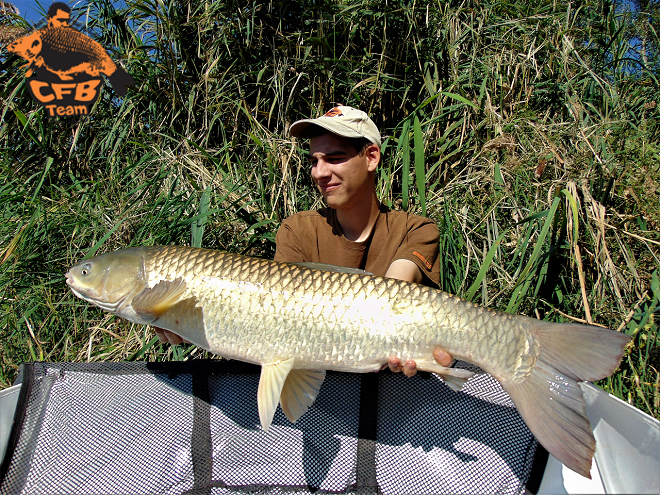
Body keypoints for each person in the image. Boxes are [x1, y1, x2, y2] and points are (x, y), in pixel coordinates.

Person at [155, 105, 453, 375]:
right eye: (314, 160)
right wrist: (188, 320)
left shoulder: (416, 230)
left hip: (392, 393)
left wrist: (403, 346)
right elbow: (279, 324)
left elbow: (394, 301)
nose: (320, 172)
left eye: (334, 158)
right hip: (323, 392)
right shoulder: (297, 230)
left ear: (371, 157)